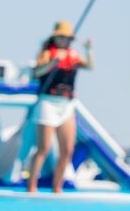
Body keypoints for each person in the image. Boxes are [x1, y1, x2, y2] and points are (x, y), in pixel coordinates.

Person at [26, 20, 94, 192]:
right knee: (44, 148)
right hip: (48, 102)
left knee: (67, 150)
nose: (64, 40)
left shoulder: (73, 54)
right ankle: (31, 187)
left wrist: (89, 50)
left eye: (67, 37)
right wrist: (53, 63)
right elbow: (36, 72)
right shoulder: (47, 53)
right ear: (55, 37)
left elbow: (90, 67)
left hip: (66, 104)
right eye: (61, 37)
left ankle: (57, 188)